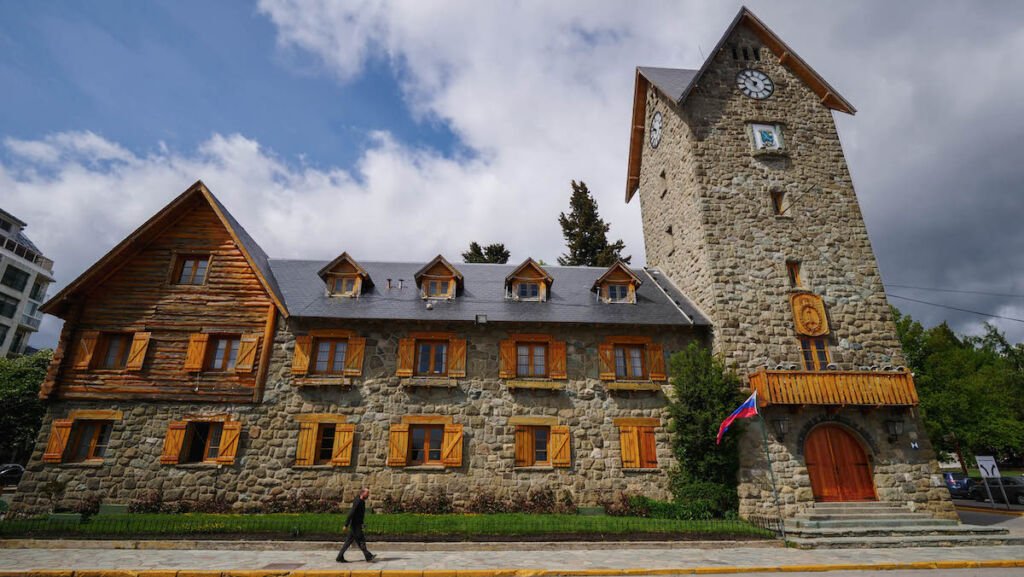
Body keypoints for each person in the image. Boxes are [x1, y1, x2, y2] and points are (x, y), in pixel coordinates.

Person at [336, 487, 376, 563]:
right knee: (361, 540)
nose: (368, 495)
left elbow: (360, 515)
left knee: (348, 542)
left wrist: (362, 523)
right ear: (363, 493)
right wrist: (346, 524)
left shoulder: (361, 501)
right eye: (367, 493)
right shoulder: (358, 501)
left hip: (357, 524)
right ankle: (368, 556)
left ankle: (339, 557)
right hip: (355, 525)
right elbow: (351, 513)